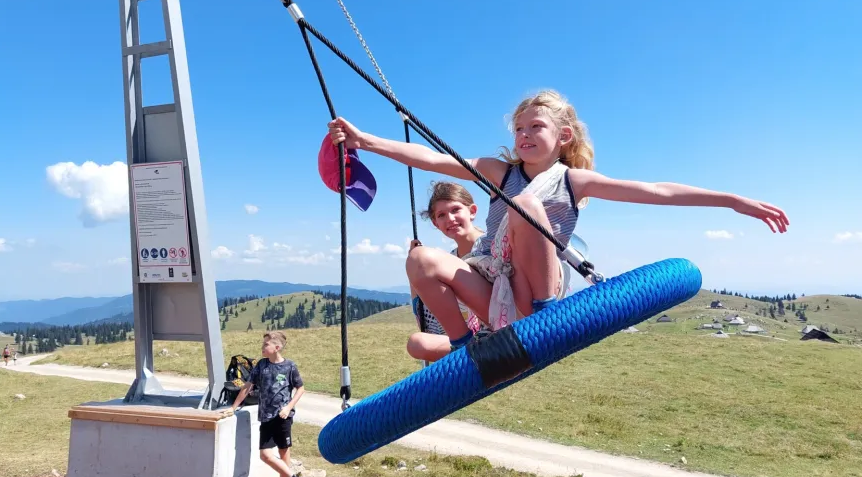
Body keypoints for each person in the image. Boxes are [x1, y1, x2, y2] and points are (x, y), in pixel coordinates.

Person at [327, 90, 789, 351]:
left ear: (562, 135)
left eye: (536, 128)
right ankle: (467, 344)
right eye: (519, 129)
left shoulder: (574, 181)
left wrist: (731, 200)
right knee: (422, 262)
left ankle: (545, 318)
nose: (525, 136)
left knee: (526, 204)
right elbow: (430, 159)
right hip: (492, 286)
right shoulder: (497, 171)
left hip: (536, 292)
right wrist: (365, 140)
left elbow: (655, 191)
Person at [407, 181, 489, 362]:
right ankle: (466, 347)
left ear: (472, 211)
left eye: (455, 210)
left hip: (500, 318)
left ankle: (467, 348)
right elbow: (425, 319)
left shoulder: (492, 244)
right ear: (436, 223)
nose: (450, 219)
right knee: (416, 343)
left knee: (422, 259)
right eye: (441, 215)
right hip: (475, 334)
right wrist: (413, 266)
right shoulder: (450, 260)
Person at [224, 331, 306, 477]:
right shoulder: (261, 365)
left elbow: (300, 389)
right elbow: (247, 387)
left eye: (265, 345)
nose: (262, 347)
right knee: (265, 455)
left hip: (283, 418)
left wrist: (288, 407)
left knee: (284, 453)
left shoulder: (290, 366)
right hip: (266, 418)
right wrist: (233, 408)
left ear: (277, 347)